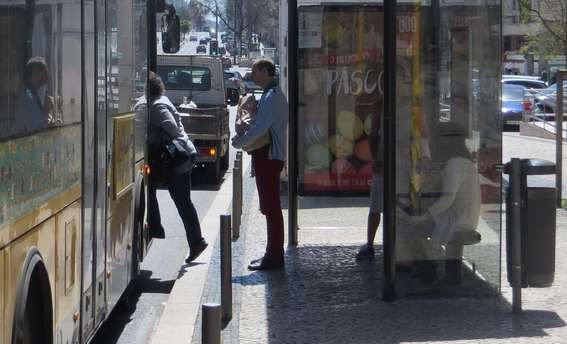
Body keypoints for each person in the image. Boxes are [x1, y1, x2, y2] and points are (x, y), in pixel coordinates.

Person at [232, 59, 288, 271]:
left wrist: (239, 142)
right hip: (268, 155)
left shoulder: (272, 97)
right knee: (270, 206)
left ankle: (274, 256)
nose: (252, 76)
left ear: (265, 71)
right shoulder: (270, 95)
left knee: (271, 207)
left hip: (269, 156)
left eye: (255, 72)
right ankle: (272, 253)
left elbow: (260, 128)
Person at [146, 71, 208, 263]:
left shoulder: (157, 105)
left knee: (181, 201)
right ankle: (160, 229)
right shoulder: (159, 101)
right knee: (158, 192)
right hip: (180, 156)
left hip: (178, 157)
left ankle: (196, 241)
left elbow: (171, 128)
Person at [355, 111, 384, 260]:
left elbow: (373, 135)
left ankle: (370, 244)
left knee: (376, 207)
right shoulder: (413, 103)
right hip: (392, 161)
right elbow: (373, 135)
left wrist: (375, 158)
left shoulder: (381, 105)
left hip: (384, 161)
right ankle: (370, 244)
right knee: (377, 207)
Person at [14, 56, 56, 134]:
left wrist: (47, 112)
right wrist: (47, 109)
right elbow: (37, 128)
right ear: (35, 72)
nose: (46, 77)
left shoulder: (33, 92)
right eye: (44, 72)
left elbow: (39, 118)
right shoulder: (27, 95)